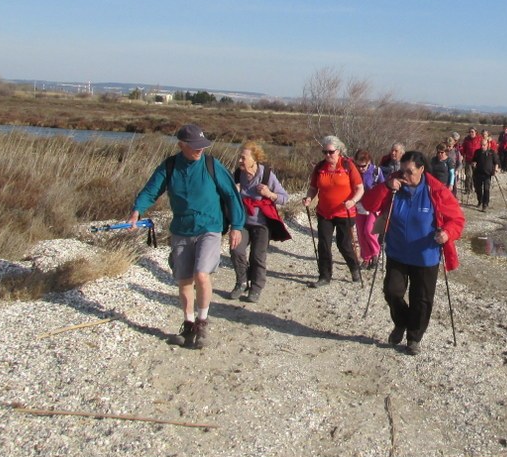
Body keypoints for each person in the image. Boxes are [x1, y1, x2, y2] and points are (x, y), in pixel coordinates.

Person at [128, 124, 245, 350]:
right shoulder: (170, 166)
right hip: (181, 229)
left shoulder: (212, 165)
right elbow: (151, 190)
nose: (199, 150)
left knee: (201, 275)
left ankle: (202, 322)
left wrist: (237, 226)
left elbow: (231, 194)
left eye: (202, 146)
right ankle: (188, 323)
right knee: (184, 281)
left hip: (209, 227)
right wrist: (137, 210)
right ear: (181, 145)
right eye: (194, 146)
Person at [360, 150, 465, 355]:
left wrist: (446, 234)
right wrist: (386, 187)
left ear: (421, 170)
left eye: (409, 172)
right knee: (392, 292)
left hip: (425, 255)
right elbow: (368, 204)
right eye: (402, 171)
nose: (404, 175)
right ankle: (401, 323)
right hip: (397, 252)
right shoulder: (393, 185)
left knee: (422, 300)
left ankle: (414, 338)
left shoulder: (436, 190)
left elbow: (457, 220)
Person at [230, 141, 290, 304]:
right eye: (240, 157)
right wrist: (233, 192)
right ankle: (241, 282)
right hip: (242, 222)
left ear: (254, 159)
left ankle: (256, 287)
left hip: (262, 223)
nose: (240, 161)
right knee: (236, 250)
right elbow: (227, 198)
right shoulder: (237, 175)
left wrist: (269, 193)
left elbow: (284, 198)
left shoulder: (266, 175)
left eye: (243, 158)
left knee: (257, 256)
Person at [303, 136, 364, 287]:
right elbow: (313, 188)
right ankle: (324, 276)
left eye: (330, 152)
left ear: (339, 151)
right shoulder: (319, 167)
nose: (327, 155)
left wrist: (353, 201)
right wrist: (309, 198)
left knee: (343, 245)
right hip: (324, 212)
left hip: (345, 212)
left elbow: (359, 188)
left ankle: (354, 268)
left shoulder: (348, 165)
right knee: (324, 244)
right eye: (325, 152)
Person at [353, 149, 385, 269]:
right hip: (360, 206)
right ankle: (366, 258)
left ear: (369, 162)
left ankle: (375, 253)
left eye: (363, 166)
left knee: (369, 231)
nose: (361, 168)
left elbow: (383, 187)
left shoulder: (376, 172)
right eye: (358, 165)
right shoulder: (354, 172)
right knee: (361, 234)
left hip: (373, 207)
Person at [472, 130, 498, 211]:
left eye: (484, 145)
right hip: (478, 173)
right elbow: (474, 160)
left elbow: (496, 162)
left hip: (487, 174)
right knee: (478, 189)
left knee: (486, 190)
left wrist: (496, 169)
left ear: (487, 145)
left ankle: (485, 204)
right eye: (481, 145)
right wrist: (474, 163)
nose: (482, 146)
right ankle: (480, 201)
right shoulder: (477, 152)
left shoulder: (492, 152)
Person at [459, 127, 484, 202]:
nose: (471, 133)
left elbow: (483, 147)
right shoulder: (466, 139)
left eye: (472, 132)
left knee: (476, 176)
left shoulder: (479, 139)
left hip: (477, 160)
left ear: (476, 132)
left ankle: (475, 188)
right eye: (470, 132)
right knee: (468, 175)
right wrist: (462, 155)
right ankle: (468, 189)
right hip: (469, 160)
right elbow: (463, 149)